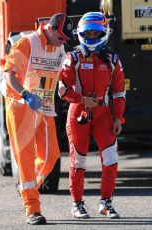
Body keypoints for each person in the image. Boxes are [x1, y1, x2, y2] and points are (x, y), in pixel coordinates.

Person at [1, 13, 74, 225]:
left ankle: (27, 186)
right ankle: (32, 209)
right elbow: (9, 74)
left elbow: (59, 75)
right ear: (49, 30)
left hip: (44, 107)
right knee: (25, 159)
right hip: (20, 106)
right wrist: (25, 94)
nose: (64, 41)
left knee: (51, 156)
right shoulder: (26, 43)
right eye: (60, 36)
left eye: (66, 38)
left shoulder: (59, 47)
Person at [58, 12, 126, 219]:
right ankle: (77, 204)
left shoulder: (113, 60)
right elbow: (62, 90)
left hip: (104, 114)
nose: (91, 36)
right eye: (87, 33)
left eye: (96, 33)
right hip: (79, 113)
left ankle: (106, 203)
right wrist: (81, 100)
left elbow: (119, 91)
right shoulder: (73, 58)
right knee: (78, 160)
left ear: (104, 33)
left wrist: (118, 118)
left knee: (111, 158)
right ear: (80, 33)